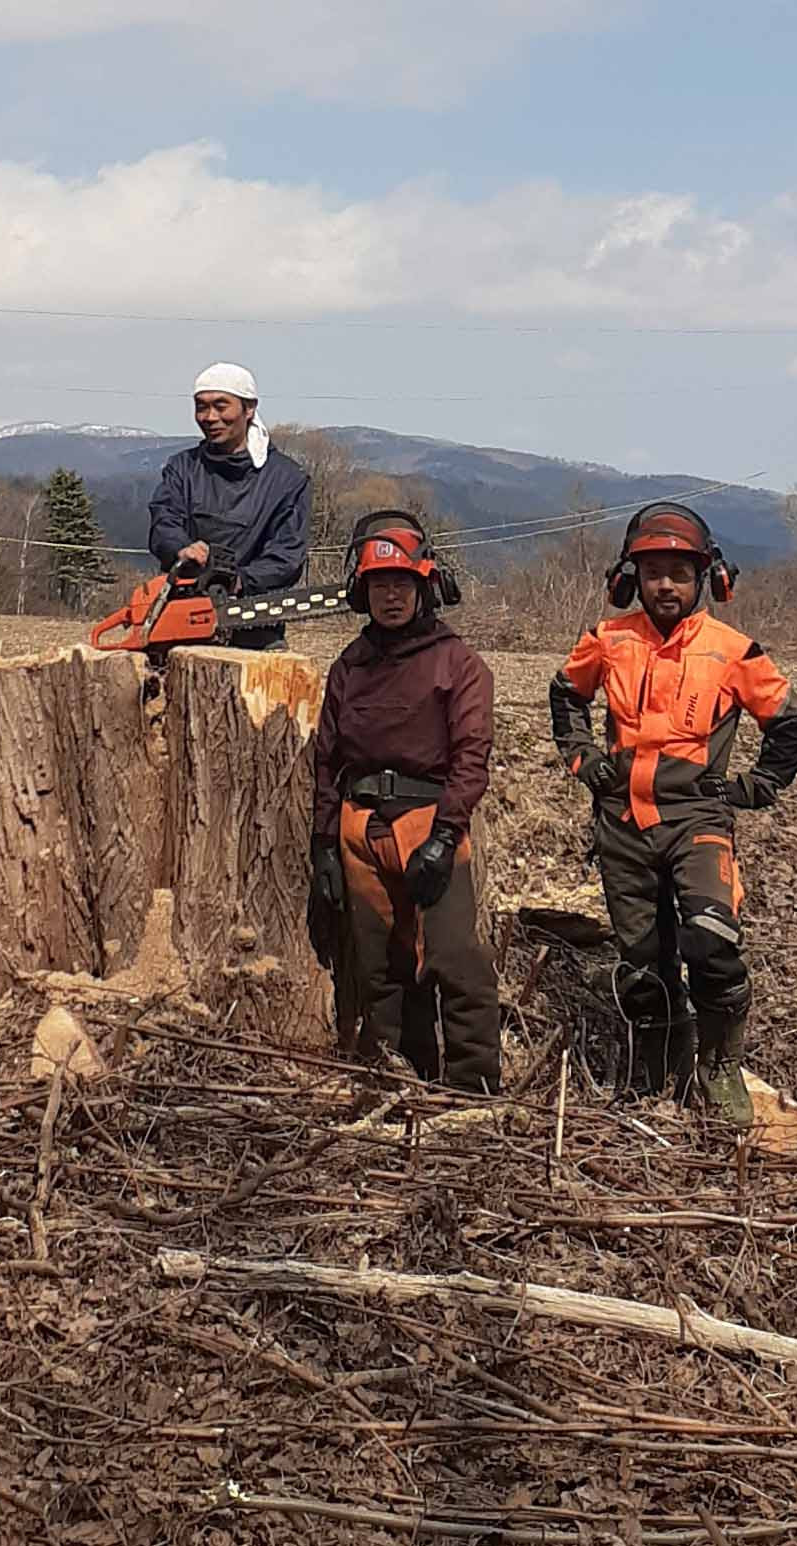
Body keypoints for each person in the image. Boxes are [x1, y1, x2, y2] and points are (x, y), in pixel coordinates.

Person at [548, 501, 797, 1124]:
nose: (666, 584)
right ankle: (658, 1065)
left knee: (713, 941)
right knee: (642, 962)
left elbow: (792, 725)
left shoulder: (732, 650)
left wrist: (756, 787)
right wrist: (586, 762)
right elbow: (566, 697)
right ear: (630, 579)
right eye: (653, 571)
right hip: (622, 824)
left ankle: (719, 1065)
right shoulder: (607, 641)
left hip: (697, 823)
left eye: (680, 572)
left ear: (707, 580)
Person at [307, 511, 499, 1093]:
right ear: (361, 592)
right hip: (360, 827)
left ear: (425, 586)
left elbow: (472, 756)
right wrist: (323, 844)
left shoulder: (456, 662)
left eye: (401, 584)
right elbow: (326, 758)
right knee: (380, 969)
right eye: (378, 586)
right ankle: (398, 1081)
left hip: (428, 818)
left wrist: (444, 837)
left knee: (458, 963)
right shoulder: (349, 666)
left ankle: (475, 1089)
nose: (390, 597)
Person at [146, 362, 311, 650]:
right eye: (201, 407)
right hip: (181, 616)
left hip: (255, 625)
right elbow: (164, 520)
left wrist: (238, 581)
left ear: (249, 409)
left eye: (221, 406)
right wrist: (181, 548)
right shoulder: (183, 468)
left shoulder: (287, 479)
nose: (210, 417)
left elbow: (287, 555)